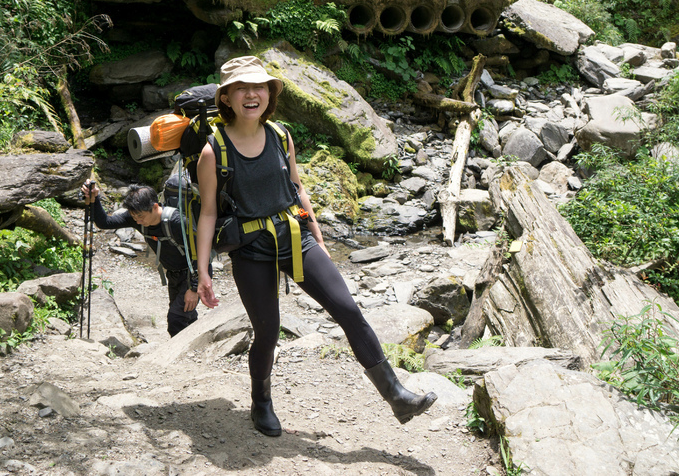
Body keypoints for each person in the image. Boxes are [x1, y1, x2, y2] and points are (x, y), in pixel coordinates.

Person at [195, 56, 436, 438]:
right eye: (241, 88)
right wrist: (203, 271)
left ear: (268, 94)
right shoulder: (214, 151)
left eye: (258, 87)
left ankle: (396, 396)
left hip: (296, 237)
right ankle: (261, 401)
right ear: (226, 98)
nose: (251, 94)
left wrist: (318, 236)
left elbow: (297, 185)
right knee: (268, 332)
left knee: (348, 310)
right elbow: (208, 214)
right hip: (251, 249)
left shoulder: (279, 134)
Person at [82, 181, 203, 337]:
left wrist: (194, 288)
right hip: (173, 274)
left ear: (154, 207)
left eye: (140, 216)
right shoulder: (136, 216)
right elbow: (105, 222)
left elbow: (202, 254)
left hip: (193, 273)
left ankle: (179, 357)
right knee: (186, 315)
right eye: (134, 216)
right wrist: (94, 198)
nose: (137, 221)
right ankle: (196, 347)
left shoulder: (177, 222)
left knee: (176, 319)